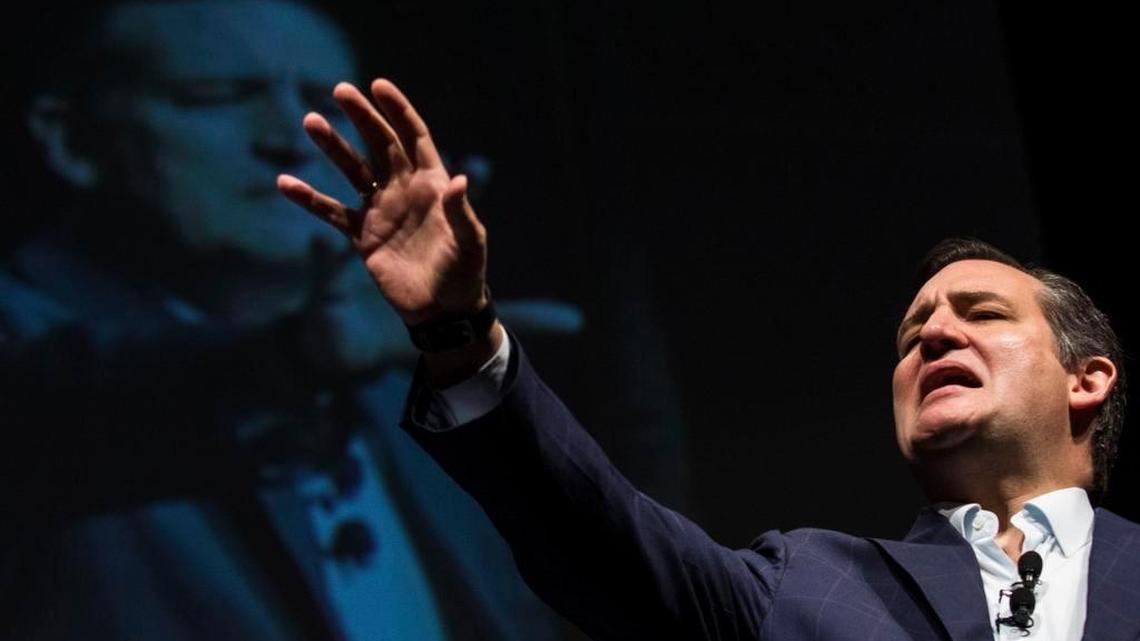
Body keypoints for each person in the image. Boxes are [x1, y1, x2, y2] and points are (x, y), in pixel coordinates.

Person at [279, 77, 1140, 640]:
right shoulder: (805, 585)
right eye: (913, 333)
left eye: (980, 313)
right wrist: (455, 330)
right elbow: (589, 524)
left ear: (1086, 376)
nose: (935, 336)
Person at [2, 2, 606, 639]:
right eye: (218, 96)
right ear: (69, 138)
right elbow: (55, 413)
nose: (291, 137)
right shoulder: (29, 346)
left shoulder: (403, 360)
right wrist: (293, 364)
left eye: (324, 101)